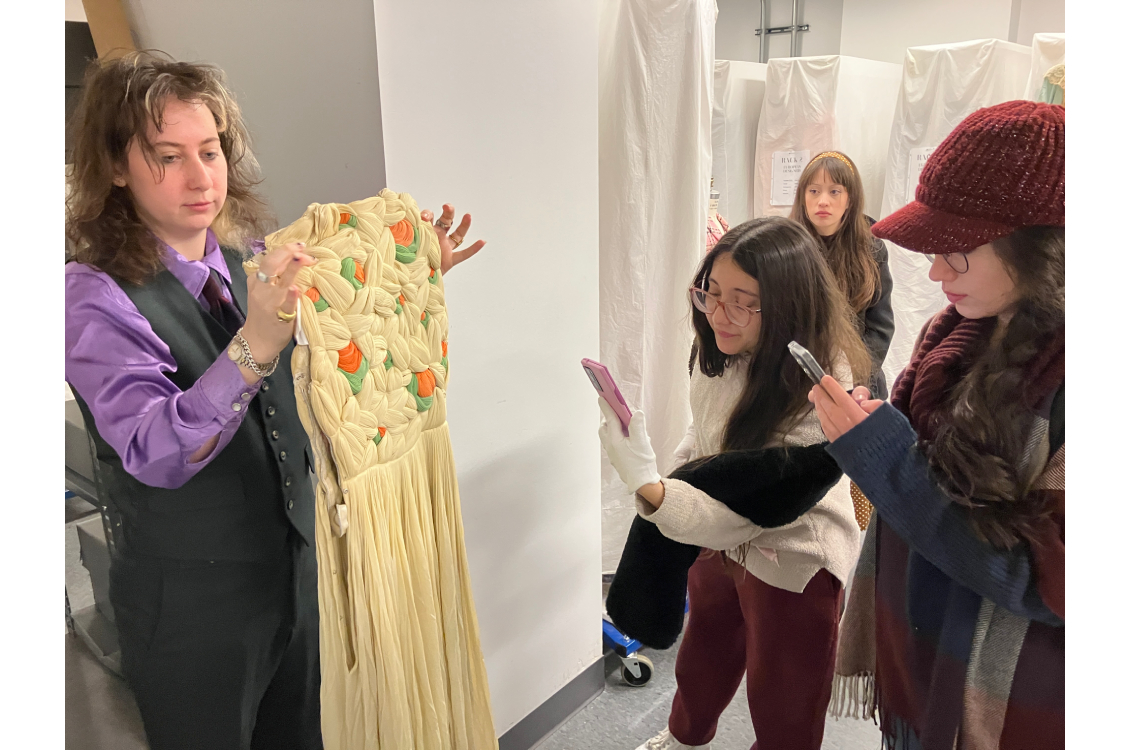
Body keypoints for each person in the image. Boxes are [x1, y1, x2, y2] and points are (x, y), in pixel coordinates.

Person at [64, 51, 483, 750]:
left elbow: (347, 321)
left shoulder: (250, 260)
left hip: (295, 571)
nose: (201, 177)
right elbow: (155, 449)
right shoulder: (90, 295)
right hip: (191, 605)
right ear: (114, 166)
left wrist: (412, 268)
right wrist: (254, 344)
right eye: (168, 157)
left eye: (210, 151)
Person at [809, 101, 1064, 749]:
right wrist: (876, 435)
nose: (935, 270)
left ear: (1045, 249)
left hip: (1012, 706)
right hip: (917, 662)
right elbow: (922, 477)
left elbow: (1046, 581)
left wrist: (886, 459)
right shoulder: (952, 334)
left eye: (959, 251)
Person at [598, 217, 871, 750]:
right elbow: (705, 436)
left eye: (744, 303)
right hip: (716, 537)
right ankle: (685, 737)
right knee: (704, 653)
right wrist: (669, 474)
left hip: (794, 555)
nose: (720, 314)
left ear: (789, 306)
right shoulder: (717, 349)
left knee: (785, 696)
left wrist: (652, 488)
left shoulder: (818, 385)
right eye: (712, 293)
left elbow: (751, 511)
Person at [790, 150, 894, 399]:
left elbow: (880, 327)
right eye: (814, 191)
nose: (823, 201)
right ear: (803, 197)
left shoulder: (871, 248)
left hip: (858, 379)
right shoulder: (787, 247)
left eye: (834, 191)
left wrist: (858, 378)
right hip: (798, 380)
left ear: (850, 199)